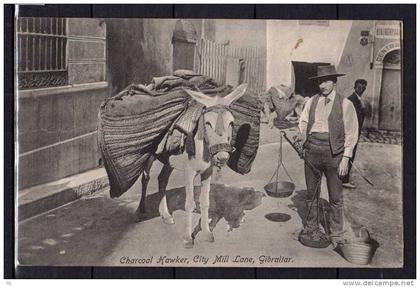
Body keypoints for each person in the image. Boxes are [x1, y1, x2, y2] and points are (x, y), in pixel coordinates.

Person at [297, 65, 359, 245]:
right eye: (319, 81)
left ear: (334, 82)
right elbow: (303, 121)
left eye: (326, 81)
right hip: (312, 153)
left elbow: (352, 132)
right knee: (311, 194)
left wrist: (345, 159)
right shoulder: (311, 101)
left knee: (335, 197)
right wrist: (303, 139)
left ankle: (336, 233)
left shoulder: (346, 104)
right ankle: (311, 228)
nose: (322, 85)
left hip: (334, 154)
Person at [342, 79, 368, 189]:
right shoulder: (350, 100)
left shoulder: (359, 100)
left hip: (356, 131)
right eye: (359, 87)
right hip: (351, 132)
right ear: (354, 87)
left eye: (363, 88)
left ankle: (343, 178)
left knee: (350, 155)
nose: (361, 90)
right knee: (348, 155)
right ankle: (344, 180)